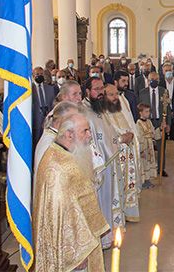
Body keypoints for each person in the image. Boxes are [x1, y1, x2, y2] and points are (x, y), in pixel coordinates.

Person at [33, 113, 109, 272]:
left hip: (84, 239)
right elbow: (58, 215)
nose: (89, 135)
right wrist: (75, 255)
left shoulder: (66, 154)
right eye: (85, 131)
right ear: (69, 135)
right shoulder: (58, 168)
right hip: (74, 251)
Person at [82, 77, 120, 249]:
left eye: (101, 89)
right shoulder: (84, 112)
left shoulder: (99, 107)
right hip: (96, 167)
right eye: (96, 89)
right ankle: (100, 239)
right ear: (87, 91)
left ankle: (107, 236)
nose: (100, 93)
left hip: (108, 162)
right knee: (99, 203)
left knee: (107, 200)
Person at [102, 84, 141, 223]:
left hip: (126, 156)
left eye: (116, 94)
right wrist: (121, 139)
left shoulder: (117, 110)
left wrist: (130, 135)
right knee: (116, 190)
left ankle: (127, 211)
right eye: (111, 95)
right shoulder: (101, 114)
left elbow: (127, 127)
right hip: (114, 158)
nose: (115, 97)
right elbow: (103, 138)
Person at [138, 72, 171, 177]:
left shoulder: (164, 91)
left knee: (161, 146)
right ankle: (147, 169)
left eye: (156, 79)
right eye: (152, 79)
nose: (154, 81)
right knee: (147, 146)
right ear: (148, 80)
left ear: (159, 80)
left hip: (160, 121)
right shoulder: (142, 92)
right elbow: (140, 108)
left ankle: (161, 168)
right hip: (147, 121)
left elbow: (167, 108)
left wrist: (168, 123)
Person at [33, 101, 79, 177]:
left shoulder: (57, 137)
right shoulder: (49, 144)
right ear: (60, 120)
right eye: (73, 120)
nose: (76, 124)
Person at [32, 66, 55, 145]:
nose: (40, 76)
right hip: (35, 121)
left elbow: (52, 104)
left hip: (47, 121)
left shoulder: (50, 88)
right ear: (33, 75)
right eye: (37, 74)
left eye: (41, 74)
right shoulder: (30, 90)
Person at [136, 103, 158, 186]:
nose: (148, 113)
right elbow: (139, 138)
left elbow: (153, 133)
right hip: (144, 148)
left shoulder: (149, 122)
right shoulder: (138, 123)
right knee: (144, 164)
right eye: (146, 111)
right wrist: (141, 150)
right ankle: (144, 181)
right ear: (140, 113)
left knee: (149, 163)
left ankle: (148, 180)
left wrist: (160, 129)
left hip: (150, 147)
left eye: (149, 111)